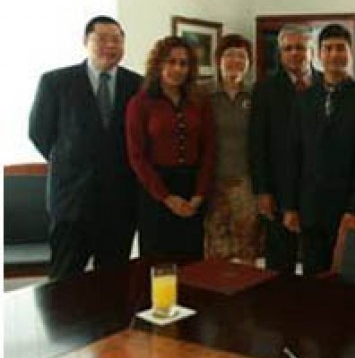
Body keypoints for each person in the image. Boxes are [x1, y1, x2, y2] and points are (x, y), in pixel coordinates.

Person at [29, 15, 143, 281]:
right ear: (85, 41)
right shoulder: (56, 82)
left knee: (114, 280)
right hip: (72, 200)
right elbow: (39, 133)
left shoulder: (138, 85)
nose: (110, 45)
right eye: (102, 38)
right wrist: (71, 160)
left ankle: (111, 325)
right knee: (64, 283)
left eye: (116, 39)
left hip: (120, 201)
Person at [282, 23, 355, 275]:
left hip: (349, 209)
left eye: (340, 48)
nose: (334, 54)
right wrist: (291, 206)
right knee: (313, 279)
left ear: (351, 53)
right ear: (318, 54)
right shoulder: (303, 100)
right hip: (311, 208)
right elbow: (293, 156)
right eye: (328, 48)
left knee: (348, 280)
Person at [125, 36, 216, 259]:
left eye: (183, 63)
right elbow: (136, 156)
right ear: (158, 64)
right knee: (158, 263)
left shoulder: (199, 101)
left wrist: (199, 194)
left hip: (193, 188)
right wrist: (166, 197)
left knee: (193, 262)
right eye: (171, 62)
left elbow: (209, 150)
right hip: (156, 191)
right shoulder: (140, 102)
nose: (177, 69)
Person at [250, 24, 322, 274]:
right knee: (279, 266)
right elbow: (258, 144)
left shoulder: (326, 85)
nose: (294, 53)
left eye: (300, 47)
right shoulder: (265, 90)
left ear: (312, 51)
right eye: (288, 48)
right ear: (280, 54)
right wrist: (262, 191)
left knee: (318, 263)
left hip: (317, 190)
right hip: (278, 190)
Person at [203, 34, 263, 265]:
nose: (235, 61)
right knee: (216, 246)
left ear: (249, 63)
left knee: (248, 245)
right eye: (229, 55)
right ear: (218, 60)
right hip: (213, 182)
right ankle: (215, 299)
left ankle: (247, 298)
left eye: (242, 56)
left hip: (246, 182)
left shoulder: (256, 96)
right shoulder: (204, 95)